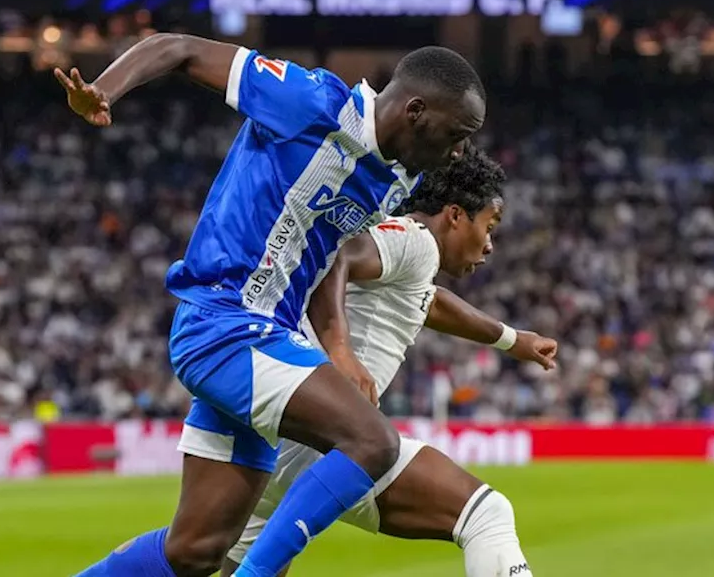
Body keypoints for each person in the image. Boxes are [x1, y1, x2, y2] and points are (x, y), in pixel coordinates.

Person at [59, 34, 492, 577]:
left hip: (264, 340)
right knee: (371, 441)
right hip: (223, 326)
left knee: (196, 550)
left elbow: (333, 257)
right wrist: (104, 89)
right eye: (456, 135)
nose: (458, 152)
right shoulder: (310, 102)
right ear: (415, 111)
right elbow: (178, 48)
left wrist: (336, 345)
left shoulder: (403, 176)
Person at [223, 143, 551, 577]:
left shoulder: (410, 263)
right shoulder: (415, 242)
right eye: (489, 226)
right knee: (486, 514)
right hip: (331, 440)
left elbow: (431, 303)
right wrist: (340, 351)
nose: (489, 244)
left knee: (222, 563)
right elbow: (339, 255)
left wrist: (513, 340)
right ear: (455, 216)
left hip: (285, 432)